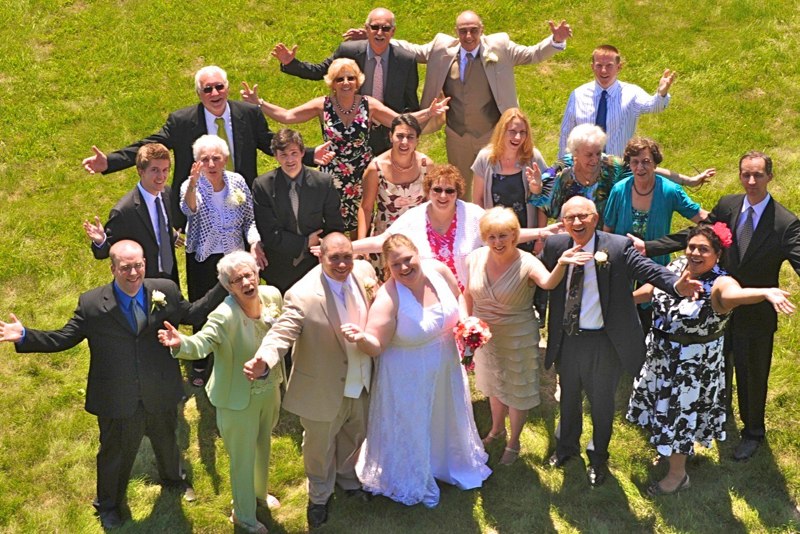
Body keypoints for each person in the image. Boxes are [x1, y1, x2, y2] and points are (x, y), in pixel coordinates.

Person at [0, 240, 227, 530]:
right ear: (113, 269)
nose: (133, 273)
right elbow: (63, 338)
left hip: (159, 387)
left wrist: (224, 283)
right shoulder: (93, 304)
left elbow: (193, 313)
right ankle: (108, 505)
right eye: (125, 268)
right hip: (119, 396)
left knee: (167, 440)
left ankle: (174, 480)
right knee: (115, 455)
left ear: (145, 263)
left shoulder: (165, 290)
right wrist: (24, 336)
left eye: (138, 265)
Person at [640, 151, 800, 461]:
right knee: (715, 369)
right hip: (715, 309)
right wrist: (648, 247)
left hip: (755, 314)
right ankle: (717, 418)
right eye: (745, 174)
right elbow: (697, 236)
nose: (751, 181)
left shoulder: (785, 223)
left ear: (770, 177)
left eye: (758, 175)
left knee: (752, 376)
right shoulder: (728, 205)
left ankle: (753, 433)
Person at [539, 196, 701, 487]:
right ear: (562, 222)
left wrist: (676, 285)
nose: (577, 222)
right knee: (569, 398)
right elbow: (538, 277)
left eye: (583, 216)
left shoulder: (616, 247)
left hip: (605, 342)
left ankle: (598, 457)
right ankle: (566, 448)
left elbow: (649, 270)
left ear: (595, 218)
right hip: (569, 339)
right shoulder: (554, 246)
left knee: (601, 403)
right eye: (570, 217)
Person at [627, 224, 794, 496]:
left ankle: (678, 476)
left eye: (703, 249)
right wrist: (623, 301)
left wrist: (764, 293)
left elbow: (734, 296)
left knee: (679, 415)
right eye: (691, 246)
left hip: (690, 368)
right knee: (662, 409)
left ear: (717, 254)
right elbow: (652, 289)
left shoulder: (720, 283)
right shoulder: (678, 265)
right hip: (662, 358)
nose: (695, 253)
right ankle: (672, 451)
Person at [340, 234, 491, 507]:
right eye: (395, 264)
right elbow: (376, 346)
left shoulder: (439, 271)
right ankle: (413, 472)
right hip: (408, 375)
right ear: (388, 267)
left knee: (445, 414)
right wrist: (360, 339)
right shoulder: (389, 298)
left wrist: (466, 323)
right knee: (414, 422)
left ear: (417, 253)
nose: (404, 267)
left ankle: (448, 462)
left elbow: (459, 297)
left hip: (446, 366)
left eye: (408, 259)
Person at [81, 65, 327, 229]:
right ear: (199, 94)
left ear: (227, 88)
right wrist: (109, 162)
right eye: (207, 89)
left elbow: (269, 142)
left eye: (219, 86)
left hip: (240, 200)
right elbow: (150, 145)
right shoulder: (182, 121)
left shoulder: (248, 114)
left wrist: (308, 154)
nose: (214, 93)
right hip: (200, 205)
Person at [244, 233, 377, 529]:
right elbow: (283, 332)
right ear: (320, 256)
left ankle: (347, 478)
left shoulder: (365, 272)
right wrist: (264, 358)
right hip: (323, 385)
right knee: (319, 447)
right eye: (334, 258)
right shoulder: (301, 294)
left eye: (347, 257)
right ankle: (319, 495)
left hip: (362, 378)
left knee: (355, 434)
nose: (342, 264)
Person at [241, 59, 448, 233]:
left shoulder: (369, 104)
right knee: (332, 220)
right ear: (332, 83)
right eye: (340, 79)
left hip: (362, 172)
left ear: (358, 82)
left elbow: (399, 121)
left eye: (350, 78)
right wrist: (259, 102)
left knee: (362, 216)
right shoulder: (322, 105)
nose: (346, 82)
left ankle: (360, 255)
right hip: (332, 173)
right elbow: (288, 116)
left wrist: (429, 113)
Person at [157, 251, 284, 533]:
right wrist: (181, 343)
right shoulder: (224, 315)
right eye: (238, 280)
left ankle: (259, 494)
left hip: (269, 388)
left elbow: (285, 329)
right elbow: (202, 343)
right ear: (228, 286)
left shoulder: (272, 296)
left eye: (249, 274)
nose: (246, 282)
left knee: (263, 445)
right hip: (237, 398)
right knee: (242, 457)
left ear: (257, 273)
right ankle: (244, 516)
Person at [381, 11, 572, 198]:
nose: (468, 36)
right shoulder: (441, 48)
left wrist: (555, 40)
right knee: (459, 188)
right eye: (463, 31)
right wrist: (380, 37)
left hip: (491, 134)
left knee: (493, 189)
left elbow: (533, 54)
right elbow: (413, 50)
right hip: (457, 135)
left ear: (482, 29)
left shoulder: (500, 47)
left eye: (473, 30)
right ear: (456, 31)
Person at [464, 208, 592, 465]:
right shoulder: (474, 258)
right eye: (491, 237)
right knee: (493, 382)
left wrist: (561, 264)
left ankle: (513, 442)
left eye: (503, 236)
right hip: (485, 335)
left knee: (517, 389)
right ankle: (497, 429)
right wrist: (468, 321)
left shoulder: (528, 262)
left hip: (517, 336)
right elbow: (467, 292)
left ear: (514, 235)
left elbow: (547, 283)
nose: (497, 242)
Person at [352, 164, 561, 289]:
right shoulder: (413, 217)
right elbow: (384, 241)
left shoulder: (472, 214)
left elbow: (504, 233)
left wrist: (541, 232)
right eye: (437, 189)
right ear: (428, 191)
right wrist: (348, 248)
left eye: (449, 191)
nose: (443, 196)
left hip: (468, 297)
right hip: (428, 296)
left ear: (458, 192)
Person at [274, 7, 420, 155]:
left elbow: (411, 102)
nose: (380, 33)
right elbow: (319, 71)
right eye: (375, 27)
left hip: (389, 132)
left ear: (393, 31)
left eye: (386, 28)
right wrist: (291, 63)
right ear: (367, 29)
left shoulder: (406, 60)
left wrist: (409, 134)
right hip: (354, 129)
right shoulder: (349, 51)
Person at [181, 134, 267, 386]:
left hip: (233, 258)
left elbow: (250, 219)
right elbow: (189, 209)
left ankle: (239, 354)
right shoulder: (191, 185)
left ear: (225, 159)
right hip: (203, 257)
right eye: (204, 159)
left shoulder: (237, 181)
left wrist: (254, 242)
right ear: (197, 162)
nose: (211, 164)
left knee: (238, 305)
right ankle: (200, 361)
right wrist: (193, 185)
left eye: (216, 158)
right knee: (202, 308)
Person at [529, 124, 713, 226]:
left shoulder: (611, 166)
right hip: (573, 233)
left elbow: (646, 170)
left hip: (606, 234)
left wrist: (689, 181)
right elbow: (544, 205)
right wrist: (540, 240)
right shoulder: (562, 171)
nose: (595, 159)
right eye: (589, 155)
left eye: (598, 153)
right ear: (575, 154)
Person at [251, 129, 345, 294]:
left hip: (315, 261)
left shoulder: (323, 183)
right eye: (283, 155)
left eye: (294, 153)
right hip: (280, 265)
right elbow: (268, 232)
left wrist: (325, 246)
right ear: (275, 156)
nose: (289, 160)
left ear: (302, 152)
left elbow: (335, 225)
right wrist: (305, 243)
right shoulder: (263, 186)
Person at [83, 143, 180, 282]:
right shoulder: (124, 211)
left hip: (170, 277)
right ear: (141, 171)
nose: (161, 176)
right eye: (155, 170)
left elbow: (159, 224)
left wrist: (169, 234)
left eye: (165, 170)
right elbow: (104, 252)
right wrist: (101, 241)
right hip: (142, 281)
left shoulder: (166, 193)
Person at [558, 44, 675, 158]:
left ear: (619, 67)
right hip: (584, 166)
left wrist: (661, 93)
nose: (603, 70)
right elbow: (565, 134)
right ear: (592, 66)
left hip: (619, 166)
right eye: (599, 65)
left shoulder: (632, 93)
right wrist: (563, 165)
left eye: (609, 65)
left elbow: (654, 106)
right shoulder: (578, 95)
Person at [604, 137, 707, 265]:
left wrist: (724, 220)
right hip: (623, 263)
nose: (640, 167)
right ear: (629, 164)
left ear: (655, 164)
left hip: (656, 265)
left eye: (646, 161)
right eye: (635, 162)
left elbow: (699, 216)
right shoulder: (619, 190)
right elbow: (608, 229)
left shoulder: (669, 191)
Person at [470, 107, 549, 253]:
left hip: (528, 237)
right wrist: (486, 235)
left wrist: (540, 239)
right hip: (496, 240)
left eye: (522, 132)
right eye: (512, 131)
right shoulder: (485, 158)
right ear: (502, 131)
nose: (518, 137)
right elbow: (478, 201)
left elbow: (544, 202)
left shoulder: (533, 158)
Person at [356, 114, 430, 241]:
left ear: (417, 140)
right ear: (391, 136)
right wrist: (361, 243)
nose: (404, 142)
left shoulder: (426, 165)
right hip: (385, 237)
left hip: (418, 235)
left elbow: (431, 204)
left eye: (410, 137)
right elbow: (366, 208)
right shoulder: (376, 168)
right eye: (400, 136)